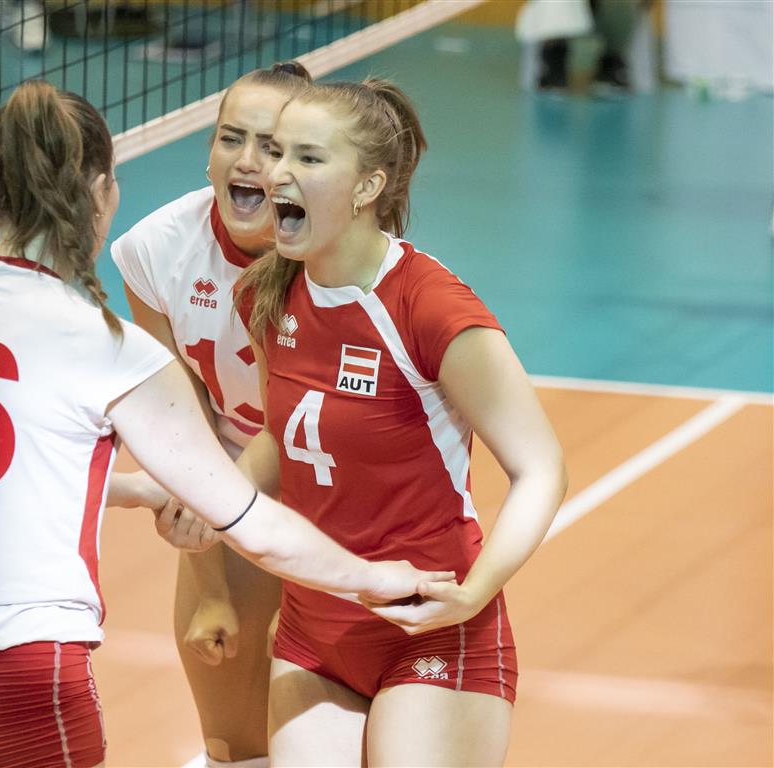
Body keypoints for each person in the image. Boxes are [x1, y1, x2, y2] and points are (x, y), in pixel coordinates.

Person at [0, 79, 455, 768]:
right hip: (9, 667)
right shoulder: (107, 347)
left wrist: (134, 491)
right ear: (103, 192)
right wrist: (369, 578)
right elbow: (249, 519)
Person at [232, 78, 568, 766]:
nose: (277, 173)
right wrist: (206, 498)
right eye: (277, 152)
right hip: (313, 632)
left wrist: (473, 594)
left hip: (430, 627)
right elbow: (283, 435)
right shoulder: (266, 292)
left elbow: (542, 469)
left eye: (308, 157)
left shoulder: (429, 306)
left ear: (367, 187)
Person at [107, 61, 311, 768]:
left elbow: (297, 424)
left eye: (272, 146)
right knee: (234, 742)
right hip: (230, 479)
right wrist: (210, 583)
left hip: (343, 487)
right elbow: (180, 425)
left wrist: (215, 504)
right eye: (231, 138)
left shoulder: (332, 257)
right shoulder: (155, 251)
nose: (247, 160)